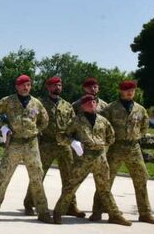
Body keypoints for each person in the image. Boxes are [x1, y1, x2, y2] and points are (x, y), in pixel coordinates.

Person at [51, 95, 131, 226]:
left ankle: (114, 214)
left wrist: (102, 146)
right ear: (83, 106)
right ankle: (58, 213)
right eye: (89, 102)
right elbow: (61, 136)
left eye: (94, 102)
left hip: (100, 157)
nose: (92, 104)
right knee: (71, 186)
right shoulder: (76, 121)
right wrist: (73, 142)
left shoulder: (103, 121)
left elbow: (111, 137)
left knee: (104, 188)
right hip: (84, 158)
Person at [0, 75, 54, 223]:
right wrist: (2, 126)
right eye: (22, 85)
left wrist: (36, 130)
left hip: (31, 144)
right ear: (16, 87)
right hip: (14, 143)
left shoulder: (36, 103)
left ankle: (43, 212)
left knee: (37, 177)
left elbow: (45, 120)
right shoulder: (8, 101)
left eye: (28, 84)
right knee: (3, 176)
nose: (26, 87)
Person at [98, 80, 154, 224]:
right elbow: (101, 126)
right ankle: (98, 211)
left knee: (141, 179)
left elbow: (144, 127)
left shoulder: (140, 109)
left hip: (134, 148)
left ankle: (145, 213)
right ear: (120, 91)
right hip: (116, 147)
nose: (129, 92)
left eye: (132, 89)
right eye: (126, 89)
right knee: (106, 180)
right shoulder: (110, 108)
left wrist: (136, 137)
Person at [23, 76, 83, 217]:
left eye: (59, 85)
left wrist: (76, 141)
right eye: (54, 85)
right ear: (48, 87)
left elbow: (74, 124)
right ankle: (29, 204)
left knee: (69, 177)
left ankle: (70, 206)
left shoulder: (67, 106)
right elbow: (32, 121)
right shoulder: (39, 104)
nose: (57, 88)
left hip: (65, 145)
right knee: (38, 176)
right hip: (46, 144)